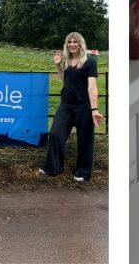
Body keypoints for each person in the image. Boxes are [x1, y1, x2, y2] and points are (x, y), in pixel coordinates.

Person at [39, 32, 104, 181]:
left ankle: (83, 172)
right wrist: (58, 65)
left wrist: (94, 110)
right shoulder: (67, 60)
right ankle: (53, 168)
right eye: (69, 42)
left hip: (84, 106)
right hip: (66, 104)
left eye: (75, 42)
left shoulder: (89, 61)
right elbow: (65, 80)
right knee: (55, 134)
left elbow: (92, 87)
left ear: (80, 44)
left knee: (85, 139)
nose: (72, 44)